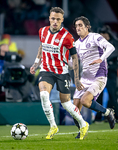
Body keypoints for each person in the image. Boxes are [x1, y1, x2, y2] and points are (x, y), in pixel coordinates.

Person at [30, 7, 89, 140]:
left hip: (62, 71)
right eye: (53, 18)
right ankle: (53, 126)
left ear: (62, 20)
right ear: (49, 19)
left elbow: (75, 57)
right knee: (44, 95)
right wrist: (36, 63)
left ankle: (83, 123)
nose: (55, 21)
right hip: (46, 70)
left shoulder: (67, 37)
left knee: (66, 104)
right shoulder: (42, 31)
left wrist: (77, 78)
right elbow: (42, 46)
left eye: (58, 19)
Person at [71, 16, 116, 139]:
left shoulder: (95, 37)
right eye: (76, 26)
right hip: (84, 79)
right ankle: (82, 130)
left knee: (85, 101)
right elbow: (73, 63)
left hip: (99, 76)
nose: (78, 28)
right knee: (74, 111)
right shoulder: (76, 44)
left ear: (87, 27)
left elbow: (111, 47)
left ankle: (107, 112)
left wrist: (101, 58)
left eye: (80, 25)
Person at [95, 25, 118, 122]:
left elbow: (114, 53)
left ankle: (114, 116)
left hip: (111, 73)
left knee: (113, 94)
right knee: (98, 95)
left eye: (104, 34)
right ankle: (98, 117)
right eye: (101, 34)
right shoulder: (98, 43)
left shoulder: (115, 42)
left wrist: (102, 59)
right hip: (101, 73)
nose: (102, 35)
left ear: (108, 34)